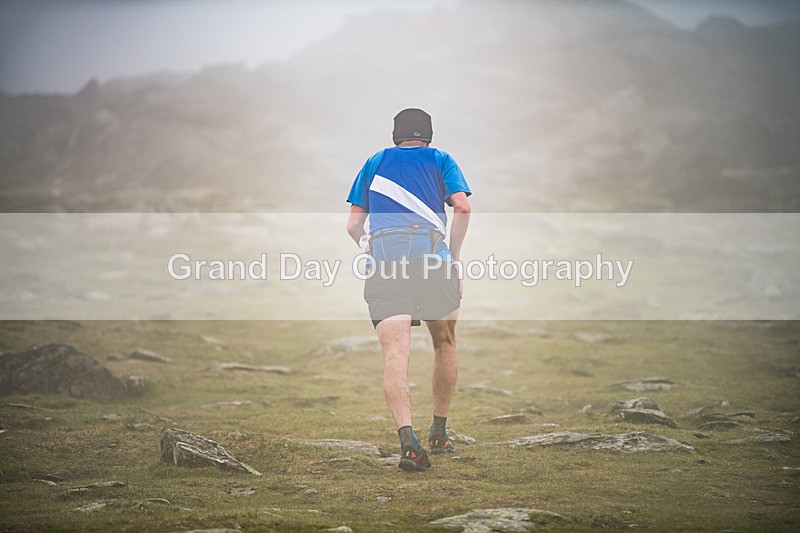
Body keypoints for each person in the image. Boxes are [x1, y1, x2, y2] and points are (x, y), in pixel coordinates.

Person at [345, 108, 472, 472]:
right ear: (428, 135)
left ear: (395, 135)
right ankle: (439, 432)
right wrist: (455, 257)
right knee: (444, 342)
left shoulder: (375, 161)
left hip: (386, 263)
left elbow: (353, 224)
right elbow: (461, 207)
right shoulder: (440, 159)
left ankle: (408, 441)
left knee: (395, 355)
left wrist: (371, 249)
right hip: (433, 261)